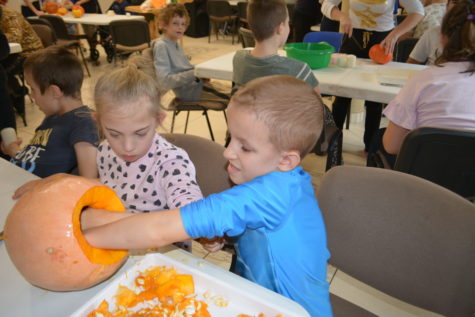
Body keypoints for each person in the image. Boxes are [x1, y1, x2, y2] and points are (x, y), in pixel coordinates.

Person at [81, 75, 332, 317]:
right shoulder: (278, 182)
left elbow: (159, 228)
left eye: (244, 147)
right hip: (254, 296)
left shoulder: (269, 195)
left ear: (286, 160)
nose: (227, 152)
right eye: (230, 138)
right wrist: (217, 234)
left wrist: (81, 238)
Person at [94, 64, 203, 250]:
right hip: (119, 243)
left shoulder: (171, 161)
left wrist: (202, 222)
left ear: (158, 120)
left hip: (165, 255)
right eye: (114, 134)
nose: (127, 147)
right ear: (98, 121)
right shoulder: (104, 151)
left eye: (140, 133)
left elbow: (188, 200)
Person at [368, 0, 475, 167]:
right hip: (468, 186)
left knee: (379, 139)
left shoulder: (423, 80)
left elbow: (391, 146)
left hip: (424, 181)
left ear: (441, 37)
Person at [321, 0, 424, 152]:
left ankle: (370, 147)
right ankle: (332, 143)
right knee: (342, 95)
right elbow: (326, 4)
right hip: (353, 37)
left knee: (374, 101)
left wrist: (395, 34)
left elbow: (418, 12)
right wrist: (341, 16)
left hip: (383, 40)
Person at [4, 46, 98, 178]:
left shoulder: (84, 124)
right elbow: (38, 159)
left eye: (33, 89)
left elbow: (88, 180)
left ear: (54, 92)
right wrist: (15, 151)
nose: (31, 96)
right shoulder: (53, 117)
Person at [233, 0, 320, 96]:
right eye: (288, 23)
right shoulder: (299, 70)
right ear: (280, 28)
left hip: (249, 110)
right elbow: (318, 106)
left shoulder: (238, 59)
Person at [152, 3, 228, 102]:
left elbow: (183, 69)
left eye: (183, 24)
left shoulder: (175, 44)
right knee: (236, 98)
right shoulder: (161, 46)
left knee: (237, 92)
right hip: (190, 92)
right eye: (175, 23)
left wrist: (199, 73)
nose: (180, 27)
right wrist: (195, 73)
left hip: (195, 86)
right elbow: (164, 82)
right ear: (164, 24)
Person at [407, 0, 458, 64]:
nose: (461, 7)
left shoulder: (420, 13)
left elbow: (403, 40)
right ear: (446, 5)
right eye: (456, 3)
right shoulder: (432, 32)